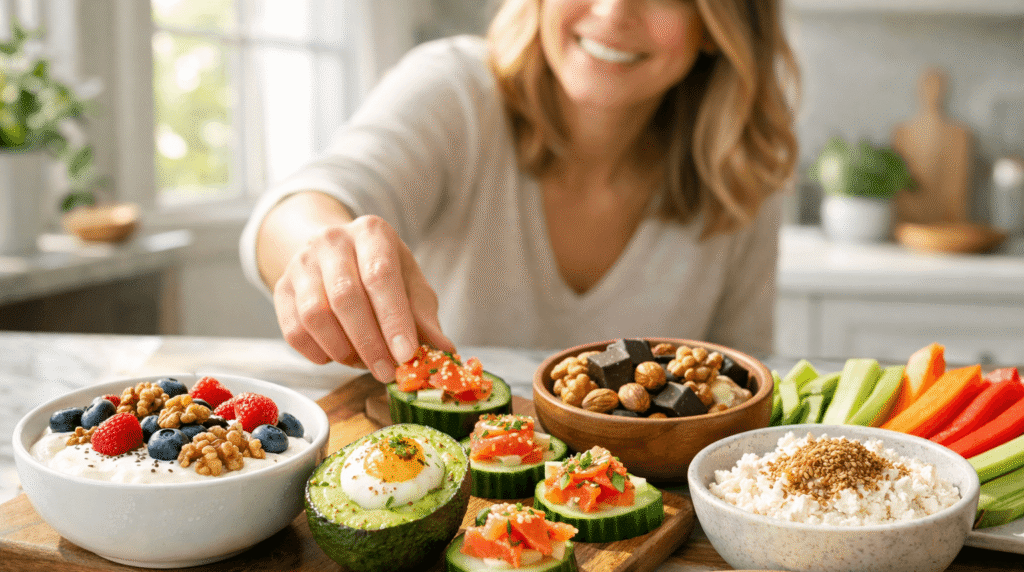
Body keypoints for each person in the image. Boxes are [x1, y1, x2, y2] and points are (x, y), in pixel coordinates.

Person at [240, 0, 799, 384]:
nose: (612, 13)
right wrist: (324, 247)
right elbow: (301, 206)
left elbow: (740, 385)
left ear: (717, 23)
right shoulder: (455, 88)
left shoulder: (741, 168)